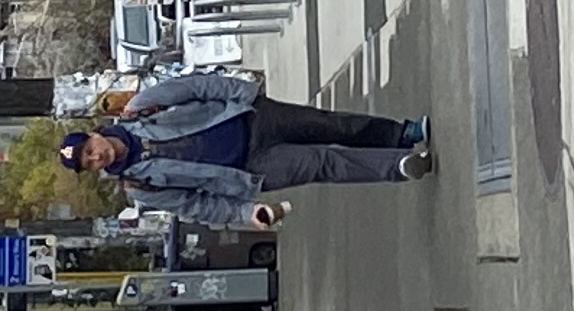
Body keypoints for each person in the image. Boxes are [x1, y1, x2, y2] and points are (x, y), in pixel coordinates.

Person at [61, 70, 434, 220]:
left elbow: (197, 86)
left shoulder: (141, 108)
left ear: (94, 135)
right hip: (251, 168)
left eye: (89, 150)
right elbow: (198, 206)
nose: (96, 157)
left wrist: (246, 93)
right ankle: (400, 166)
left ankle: (401, 134)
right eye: (88, 163)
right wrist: (245, 214)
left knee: (329, 125)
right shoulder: (141, 188)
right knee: (321, 162)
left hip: (251, 117)